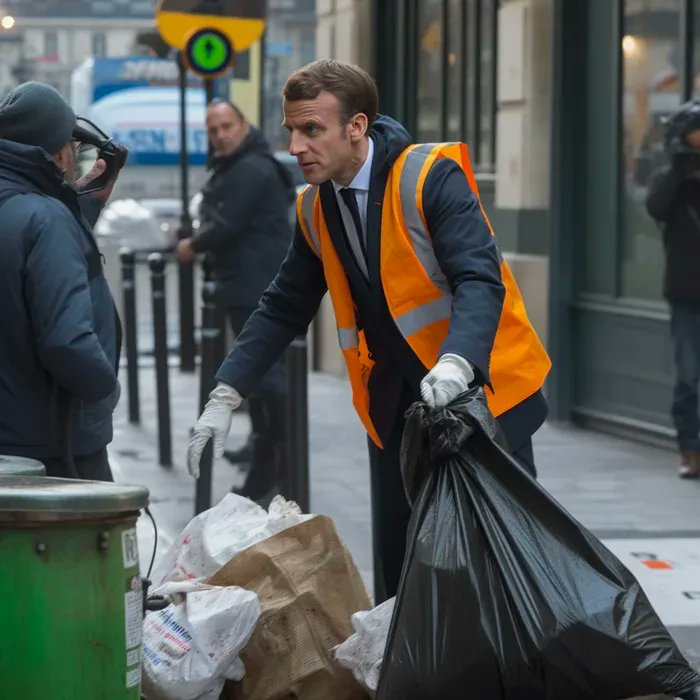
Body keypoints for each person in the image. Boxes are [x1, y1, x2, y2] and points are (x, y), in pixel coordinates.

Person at [187, 60, 551, 603]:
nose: (296, 146)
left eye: (312, 129)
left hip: (483, 395)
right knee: (402, 568)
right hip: (396, 407)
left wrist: (457, 362)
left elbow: (479, 278)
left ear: (356, 126)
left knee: (506, 562)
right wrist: (227, 391)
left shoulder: (429, 177)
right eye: (291, 129)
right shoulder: (315, 206)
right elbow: (284, 304)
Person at [0, 81, 122, 480]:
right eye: (73, 144)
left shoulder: (30, 211)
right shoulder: (47, 221)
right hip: (58, 447)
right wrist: (106, 390)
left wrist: (75, 211)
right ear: (59, 152)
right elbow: (67, 342)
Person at [177, 98, 294, 500]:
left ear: (244, 125)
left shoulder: (251, 168)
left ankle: (274, 465)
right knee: (259, 376)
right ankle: (266, 453)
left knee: (266, 375)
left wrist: (192, 245)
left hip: (256, 285)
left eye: (227, 126)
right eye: (213, 130)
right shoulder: (241, 164)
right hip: (248, 282)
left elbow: (228, 223)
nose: (221, 135)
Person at [646, 100, 700, 479]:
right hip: (686, 294)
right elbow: (655, 207)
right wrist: (680, 170)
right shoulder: (672, 178)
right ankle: (690, 450)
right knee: (688, 376)